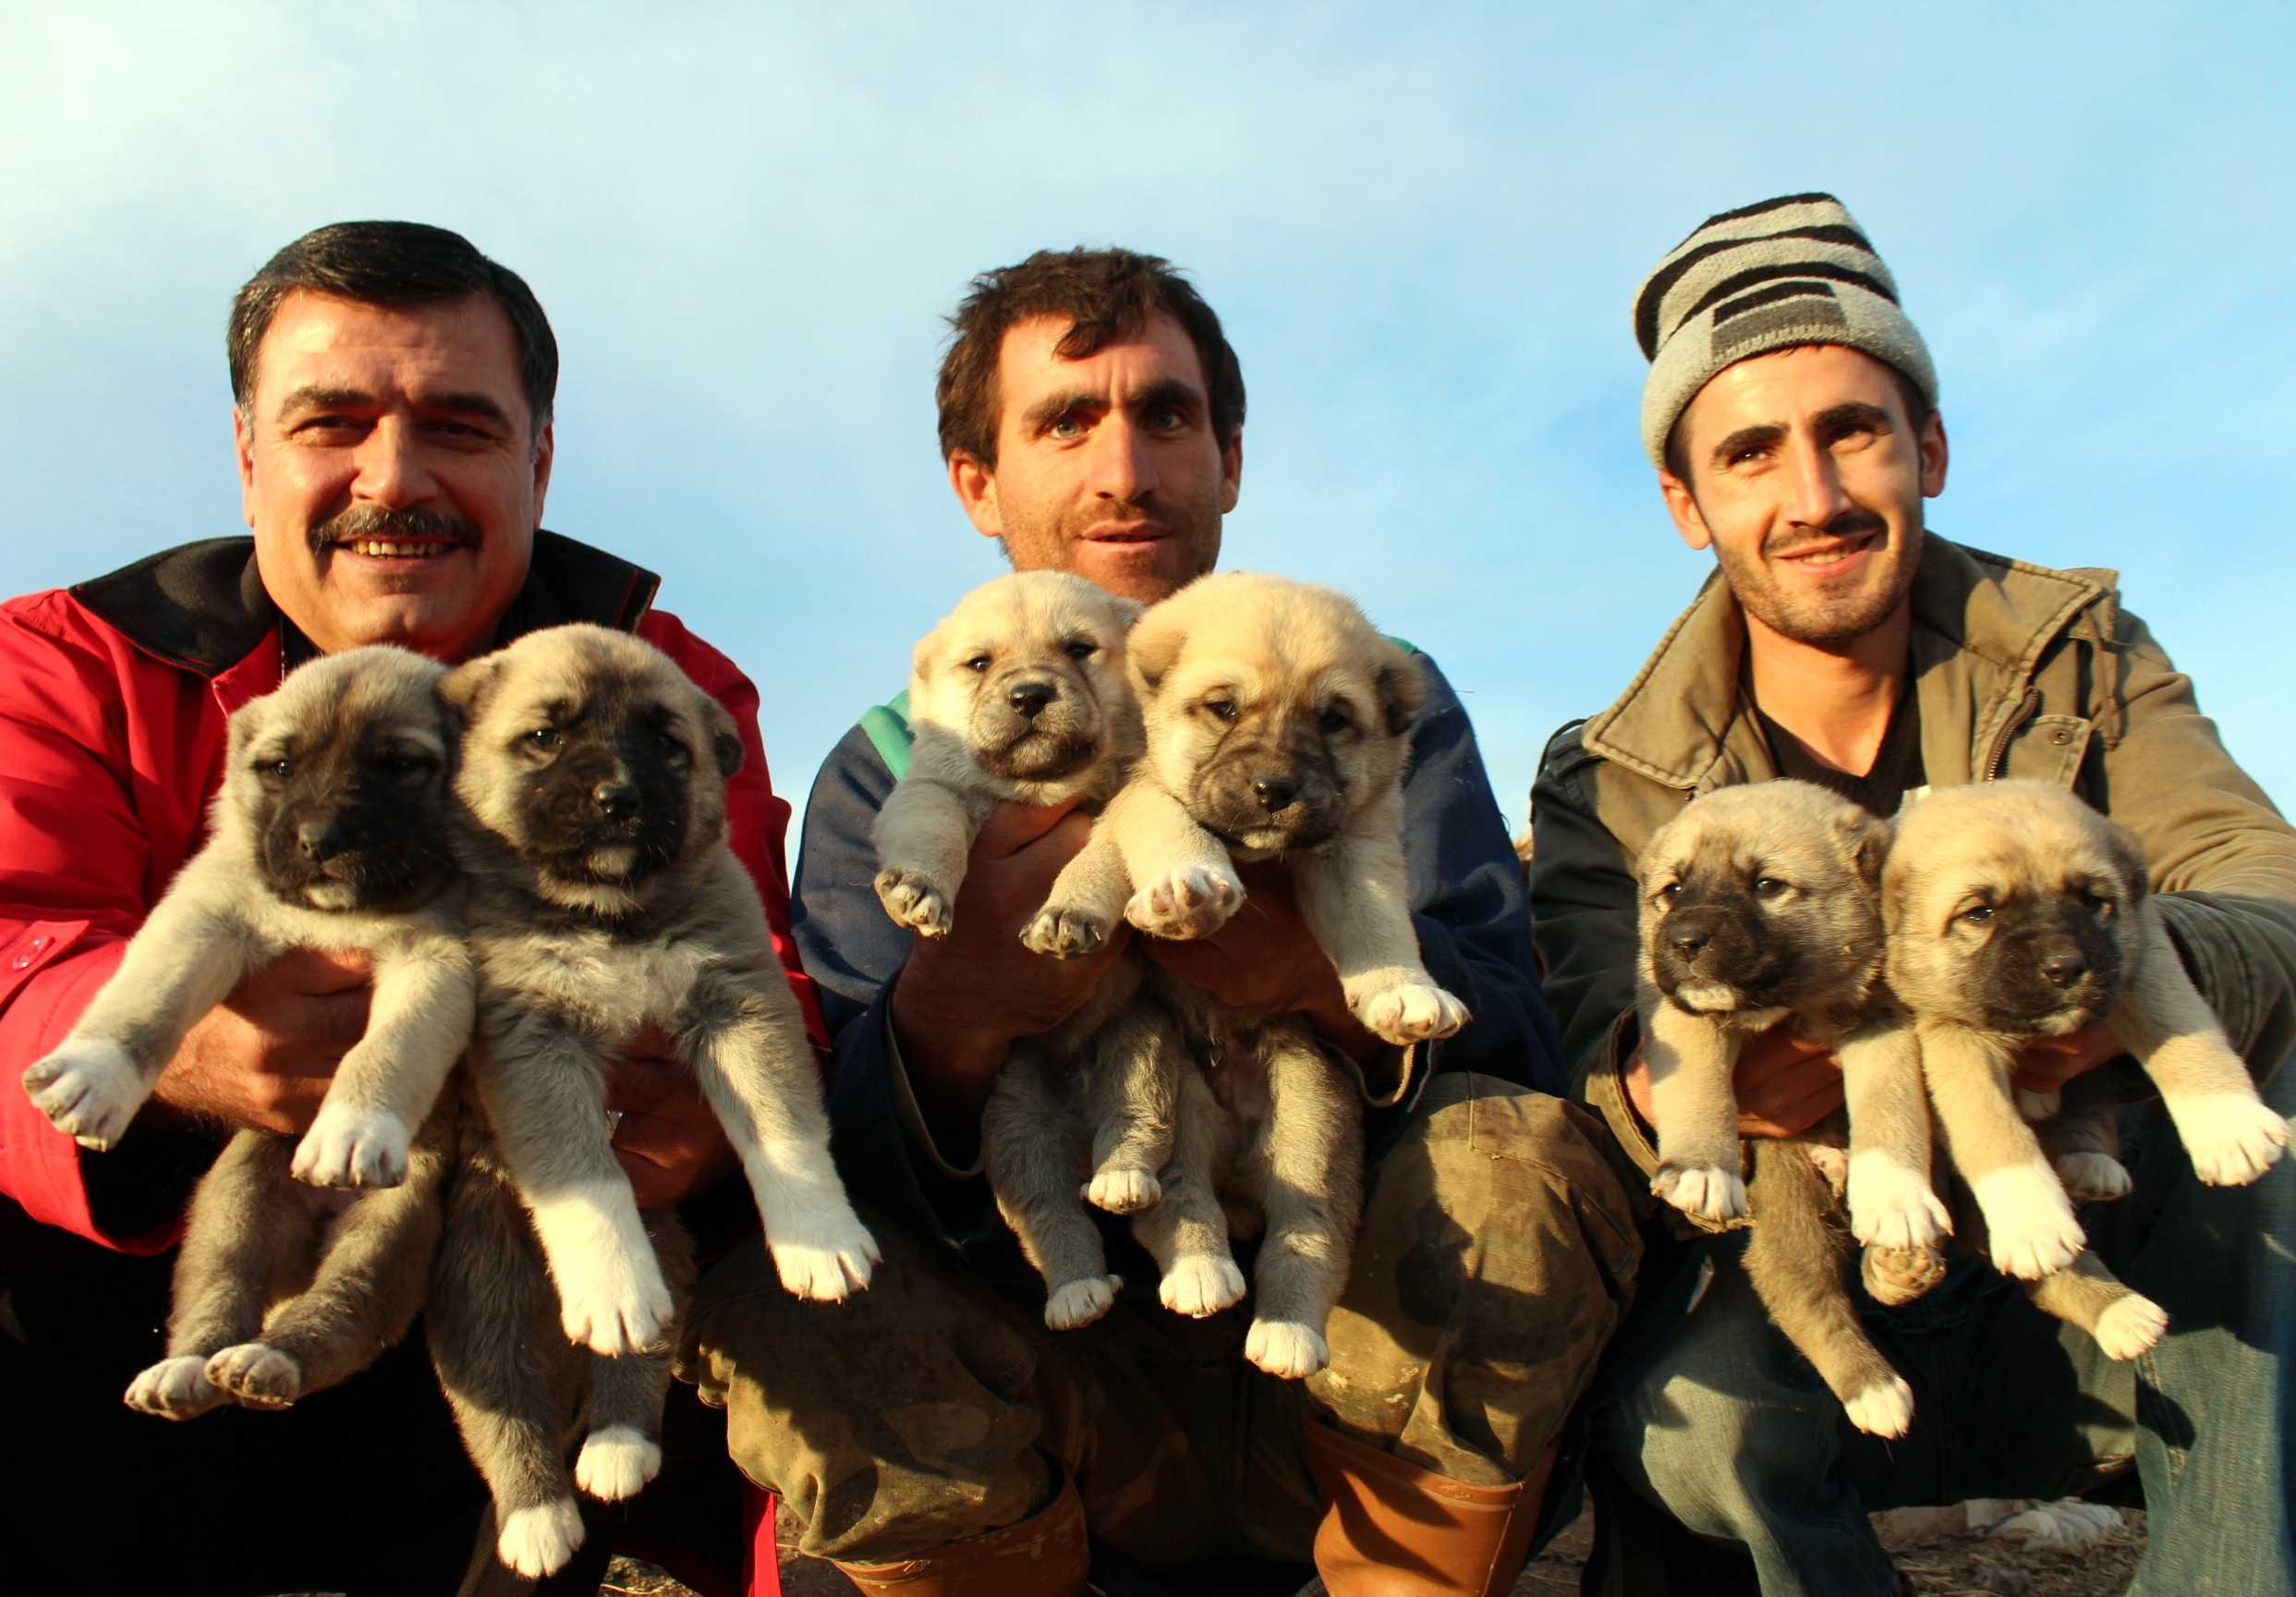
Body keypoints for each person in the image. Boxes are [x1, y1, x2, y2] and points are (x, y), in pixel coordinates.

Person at [677, 248, 1639, 1597]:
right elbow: (832, 1141)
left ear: (1230, 462)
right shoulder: (896, 760)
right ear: (977, 482)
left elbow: (1518, 1038)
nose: (1123, 467)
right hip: (1056, 1378)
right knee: (800, 1280)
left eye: (1167, 416)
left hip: (1346, 1349)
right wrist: (955, 1010)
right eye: (1065, 423)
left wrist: (1304, 972)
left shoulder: (1365, 698)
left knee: (1516, 1155)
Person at [1528, 192, 2296, 1597]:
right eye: (1749, 453)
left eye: (1852, 430)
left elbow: (2278, 886)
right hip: (1819, 1267)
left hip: (2090, 1223)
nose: (1812, 497)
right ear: (1688, 505)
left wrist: (2094, 1005)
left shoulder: (2082, 659)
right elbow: (1588, 1057)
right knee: (1699, 1439)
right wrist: (1709, 1087)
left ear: (1926, 444)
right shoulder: (1614, 774)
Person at [0, 220, 799, 1597]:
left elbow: (756, 979)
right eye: (333, 423)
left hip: (528, 1279)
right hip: (114, 1330)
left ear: (538, 462)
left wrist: (681, 1114)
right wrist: (167, 1048)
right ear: (247, 455)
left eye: (458, 426)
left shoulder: (662, 687)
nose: (393, 477)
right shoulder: (68, 664)